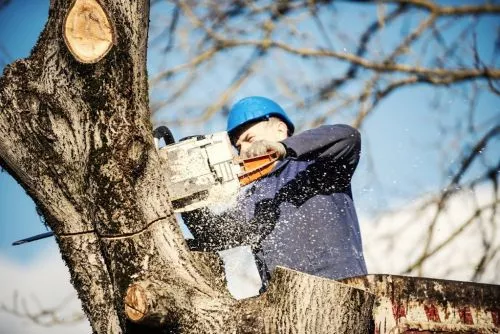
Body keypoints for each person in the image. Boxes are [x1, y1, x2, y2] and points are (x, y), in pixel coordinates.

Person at [183, 96, 367, 290]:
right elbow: (213, 234)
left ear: (280, 129)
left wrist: (283, 148)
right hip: (283, 306)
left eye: (249, 139)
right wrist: (189, 195)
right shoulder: (255, 197)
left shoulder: (319, 166)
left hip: (342, 287)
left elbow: (349, 136)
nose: (244, 150)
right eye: (238, 147)